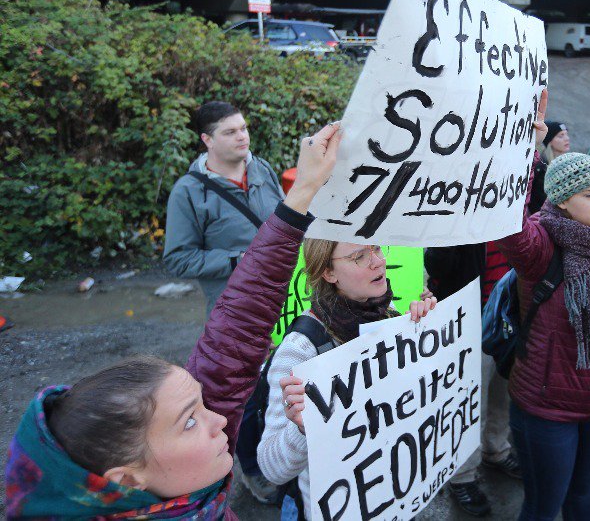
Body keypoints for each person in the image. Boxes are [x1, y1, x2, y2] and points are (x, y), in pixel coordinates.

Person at [4, 122, 343, 520]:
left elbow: (233, 336)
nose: (220, 419)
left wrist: (301, 194)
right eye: (189, 422)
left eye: (200, 406)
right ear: (127, 481)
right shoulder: (187, 190)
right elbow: (180, 259)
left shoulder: (182, 484)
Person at [497, 91, 590, 521]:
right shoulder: (541, 244)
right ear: (561, 199)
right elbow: (509, 219)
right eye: (588, 195)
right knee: (544, 507)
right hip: (548, 407)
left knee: (583, 497)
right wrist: (527, 150)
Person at [258, 244, 438, 520]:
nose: (378, 262)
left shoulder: (388, 312)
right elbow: (272, 468)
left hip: (393, 496)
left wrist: (423, 331)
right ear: (329, 273)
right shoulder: (300, 349)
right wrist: (302, 428)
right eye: (359, 256)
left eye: (377, 249)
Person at [423, 243, 521, 517]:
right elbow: (436, 263)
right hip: (469, 316)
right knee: (469, 400)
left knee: (502, 389)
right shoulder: (459, 209)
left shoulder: (522, 202)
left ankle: (496, 449)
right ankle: (462, 475)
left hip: (509, 311)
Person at [164, 101, 285, 315]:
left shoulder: (262, 168)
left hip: (287, 300)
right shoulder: (188, 192)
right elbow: (178, 260)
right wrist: (237, 259)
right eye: (230, 132)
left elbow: (285, 222)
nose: (242, 137)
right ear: (207, 140)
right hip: (237, 313)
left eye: (243, 128)